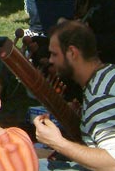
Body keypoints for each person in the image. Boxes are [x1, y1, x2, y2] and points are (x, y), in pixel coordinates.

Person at [34, 20, 115, 171]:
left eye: (54, 54)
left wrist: (57, 143)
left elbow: (113, 162)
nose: (50, 60)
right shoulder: (108, 75)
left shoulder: (99, 97)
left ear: (72, 53)